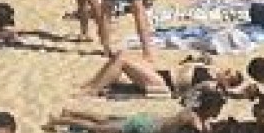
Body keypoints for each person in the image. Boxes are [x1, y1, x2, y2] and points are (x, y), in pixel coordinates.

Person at [44, 89, 227, 133]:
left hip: (149, 119)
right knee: (99, 127)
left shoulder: (193, 113)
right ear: (210, 108)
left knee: (106, 118)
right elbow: (202, 131)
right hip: (147, 126)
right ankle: (60, 120)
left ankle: (71, 112)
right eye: (216, 109)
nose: (217, 113)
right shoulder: (192, 118)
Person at [78, 51, 243, 98]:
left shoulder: (210, 84)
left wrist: (234, 92)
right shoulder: (209, 69)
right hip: (159, 73)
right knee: (120, 54)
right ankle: (92, 83)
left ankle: (93, 90)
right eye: (228, 69)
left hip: (163, 85)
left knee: (122, 60)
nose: (225, 71)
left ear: (227, 81)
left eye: (228, 74)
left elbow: (222, 94)